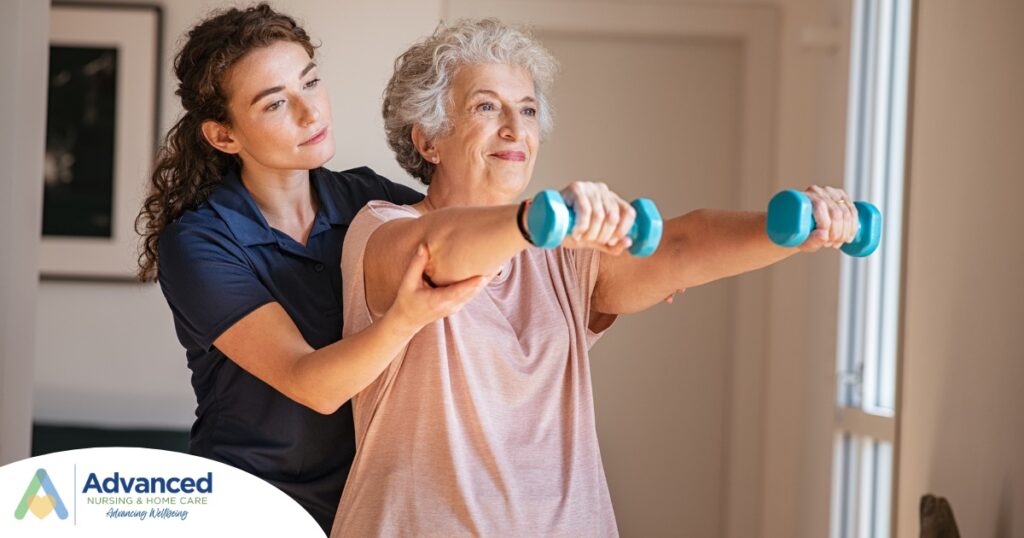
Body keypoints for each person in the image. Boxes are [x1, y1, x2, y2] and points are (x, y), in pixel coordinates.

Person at [331, 19, 862, 536]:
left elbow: (678, 245)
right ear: (428, 141)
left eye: (528, 109)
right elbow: (436, 252)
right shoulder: (383, 227)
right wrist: (537, 218)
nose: (516, 128)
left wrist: (792, 231)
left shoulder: (563, 252)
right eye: (486, 106)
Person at [134, 4, 485, 533]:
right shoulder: (200, 244)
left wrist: (587, 286)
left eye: (311, 83)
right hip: (250, 510)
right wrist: (406, 318)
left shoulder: (369, 200)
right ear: (224, 136)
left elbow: (461, 241)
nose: (310, 113)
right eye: (276, 104)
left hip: (368, 504)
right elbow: (312, 384)